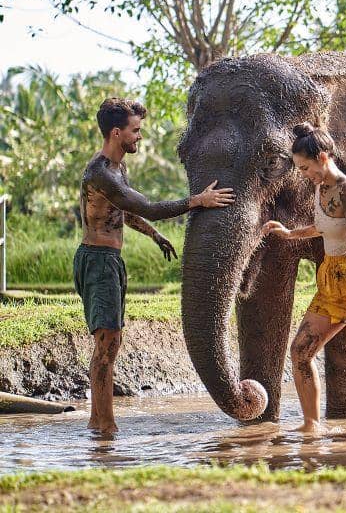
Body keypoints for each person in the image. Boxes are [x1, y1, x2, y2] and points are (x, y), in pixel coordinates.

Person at [76, 98, 234, 434]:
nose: (140, 137)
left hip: (109, 261)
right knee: (106, 345)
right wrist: (197, 201)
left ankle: (98, 423)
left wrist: (155, 235)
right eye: (135, 131)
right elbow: (148, 206)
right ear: (116, 132)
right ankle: (105, 428)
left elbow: (126, 211)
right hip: (98, 263)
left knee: (111, 344)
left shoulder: (118, 169)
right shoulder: (101, 172)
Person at [263, 123, 346, 434]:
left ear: (322, 157)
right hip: (331, 277)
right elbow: (324, 227)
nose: (304, 174)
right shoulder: (321, 187)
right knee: (300, 352)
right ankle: (311, 425)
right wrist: (290, 233)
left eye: (305, 167)